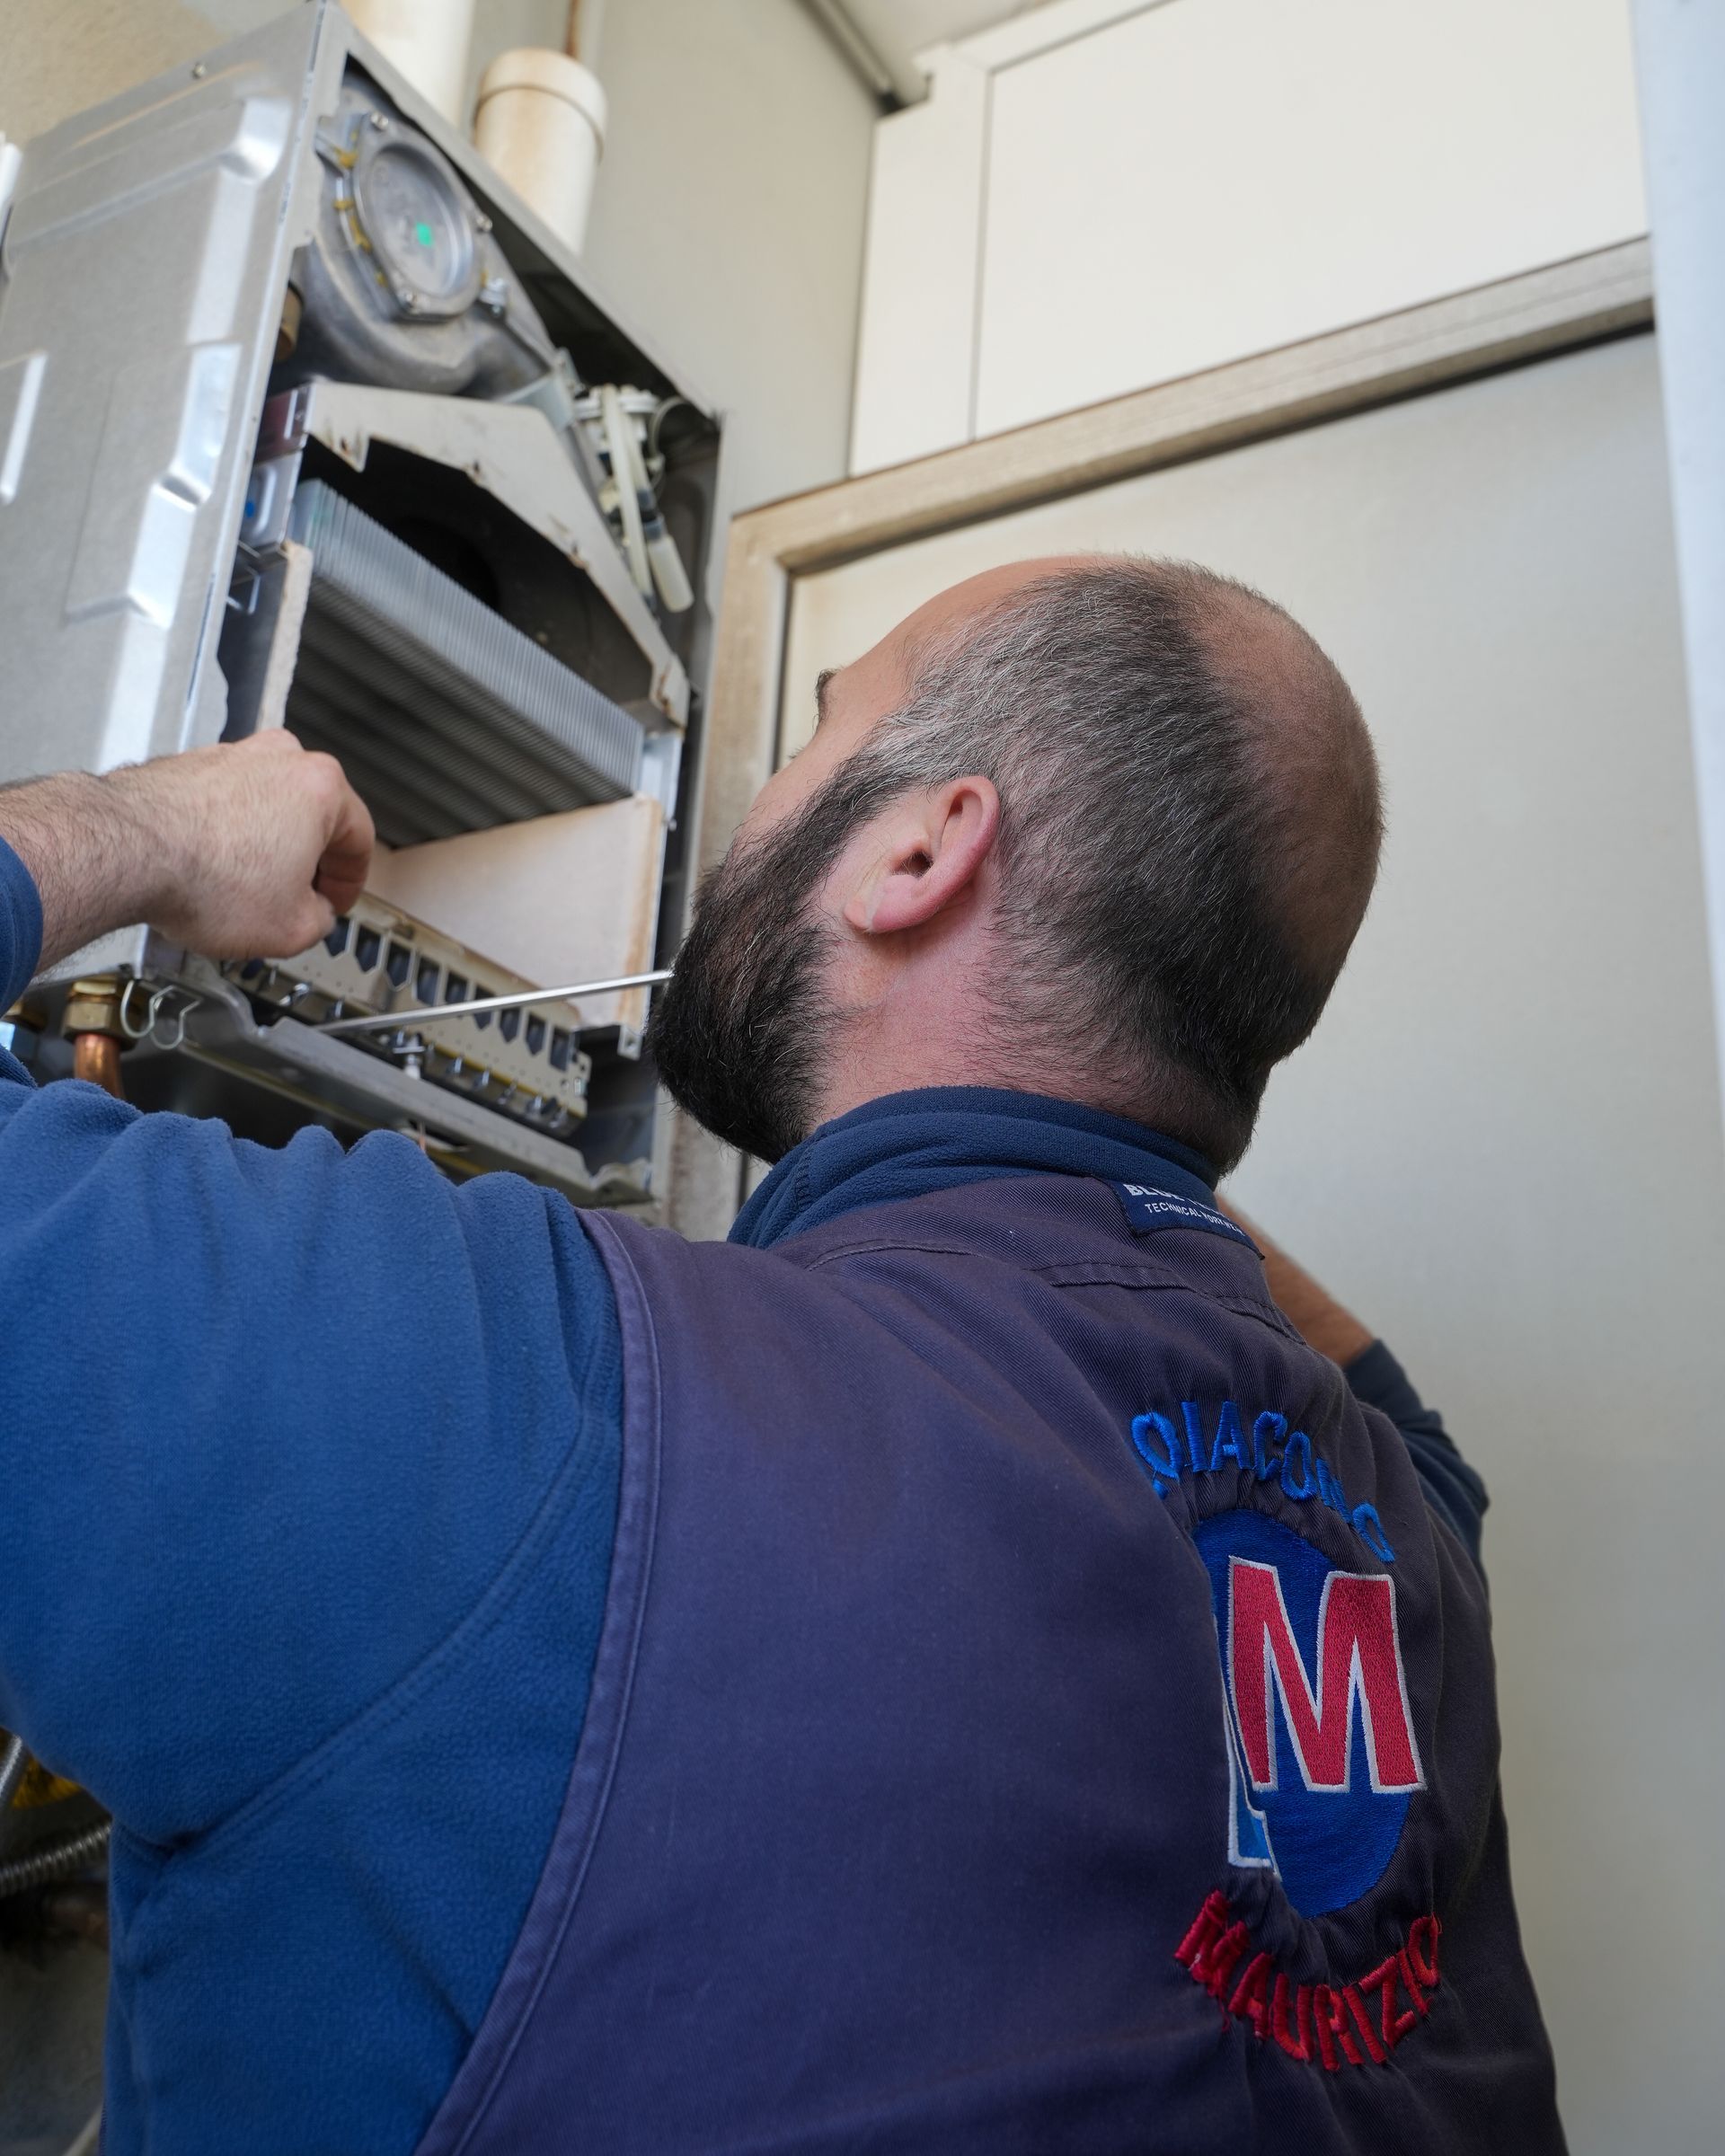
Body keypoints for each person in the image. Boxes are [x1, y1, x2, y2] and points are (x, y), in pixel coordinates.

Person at [0, 556, 1561, 2154]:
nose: (752, 812)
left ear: (921, 848)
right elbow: (1407, 1427)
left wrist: (156, 826)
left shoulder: (521, 1397)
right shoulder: (1410, 1563)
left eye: (817, 734)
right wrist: (1144, 1083)